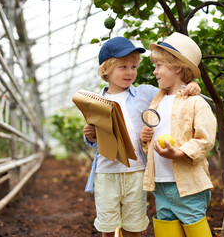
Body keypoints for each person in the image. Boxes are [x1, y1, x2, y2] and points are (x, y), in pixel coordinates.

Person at [83, 36, 201, 237]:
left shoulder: (146, 93)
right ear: (106, 70)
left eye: (134, 67)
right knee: (108, 226)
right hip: (106, 171)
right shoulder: (96, 102)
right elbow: (94, 141)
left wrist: (191, 86)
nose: (130, 72)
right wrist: (91, 137)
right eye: (123, 67)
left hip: (137, 171)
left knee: (134, 224)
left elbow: (173, 92)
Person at [140, 32, 216, 237]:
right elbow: (152, 142)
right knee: (166, 229)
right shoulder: (156, 101)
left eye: (159, 66)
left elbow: (205, 139)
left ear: (178, 68)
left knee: (194, 227)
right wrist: (145, 138)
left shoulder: (196, 102)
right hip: (161, 182)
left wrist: (179, 153)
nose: (155, 71)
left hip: (188, 185)